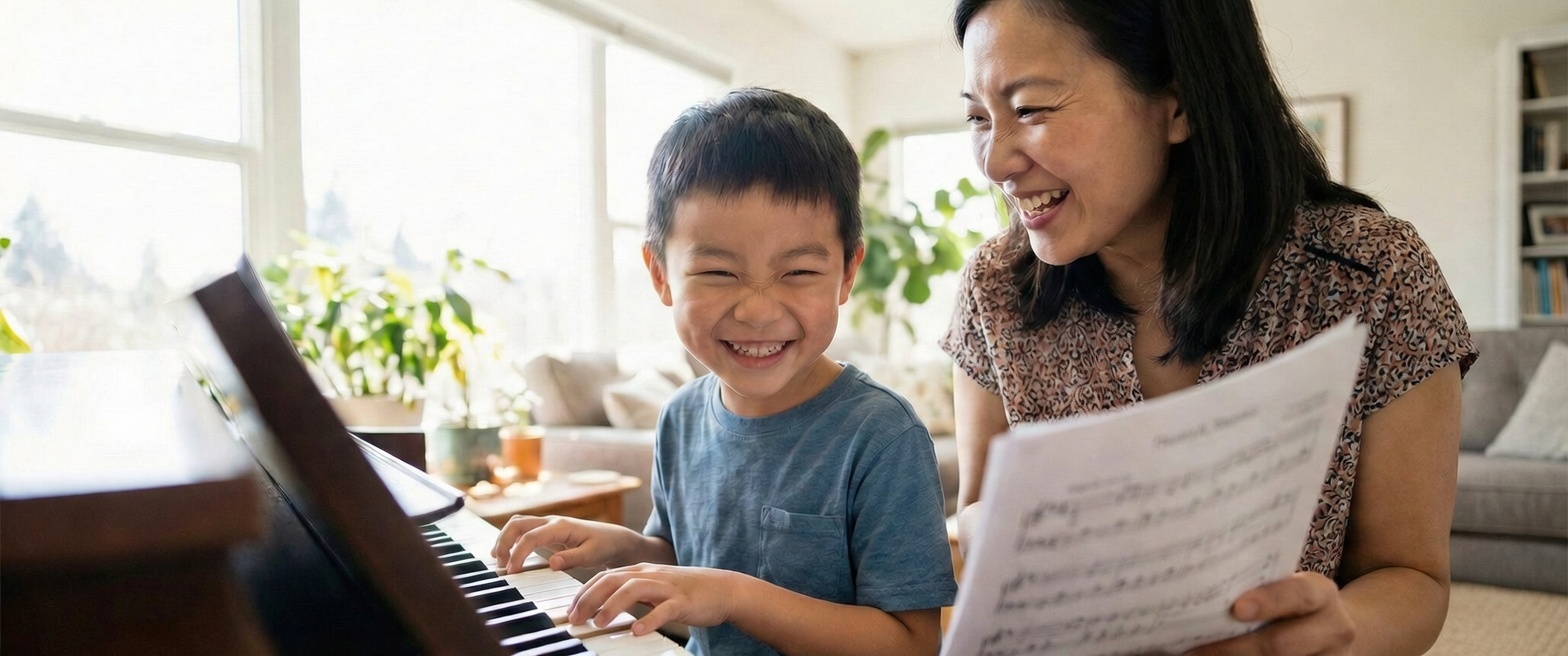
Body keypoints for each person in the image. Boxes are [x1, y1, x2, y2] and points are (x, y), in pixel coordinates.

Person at [940, 0, 1476, 654]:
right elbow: (977, 508)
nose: (993, 163)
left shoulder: (1374, 274)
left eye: (1030, 109)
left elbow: (1411, 575)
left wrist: (1323, 638)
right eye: (977, 117)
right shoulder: (993, 288)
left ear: (1178, 102)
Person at [492, 87, 957, 655]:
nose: (758, 309)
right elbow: (681, 562)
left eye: (800, 272)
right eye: (716, 272)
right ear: (661, 274)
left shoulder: (881, 435)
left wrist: (735, 596)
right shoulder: (680, 418)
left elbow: (911, 644)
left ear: (847, 272)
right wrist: (613, 549)